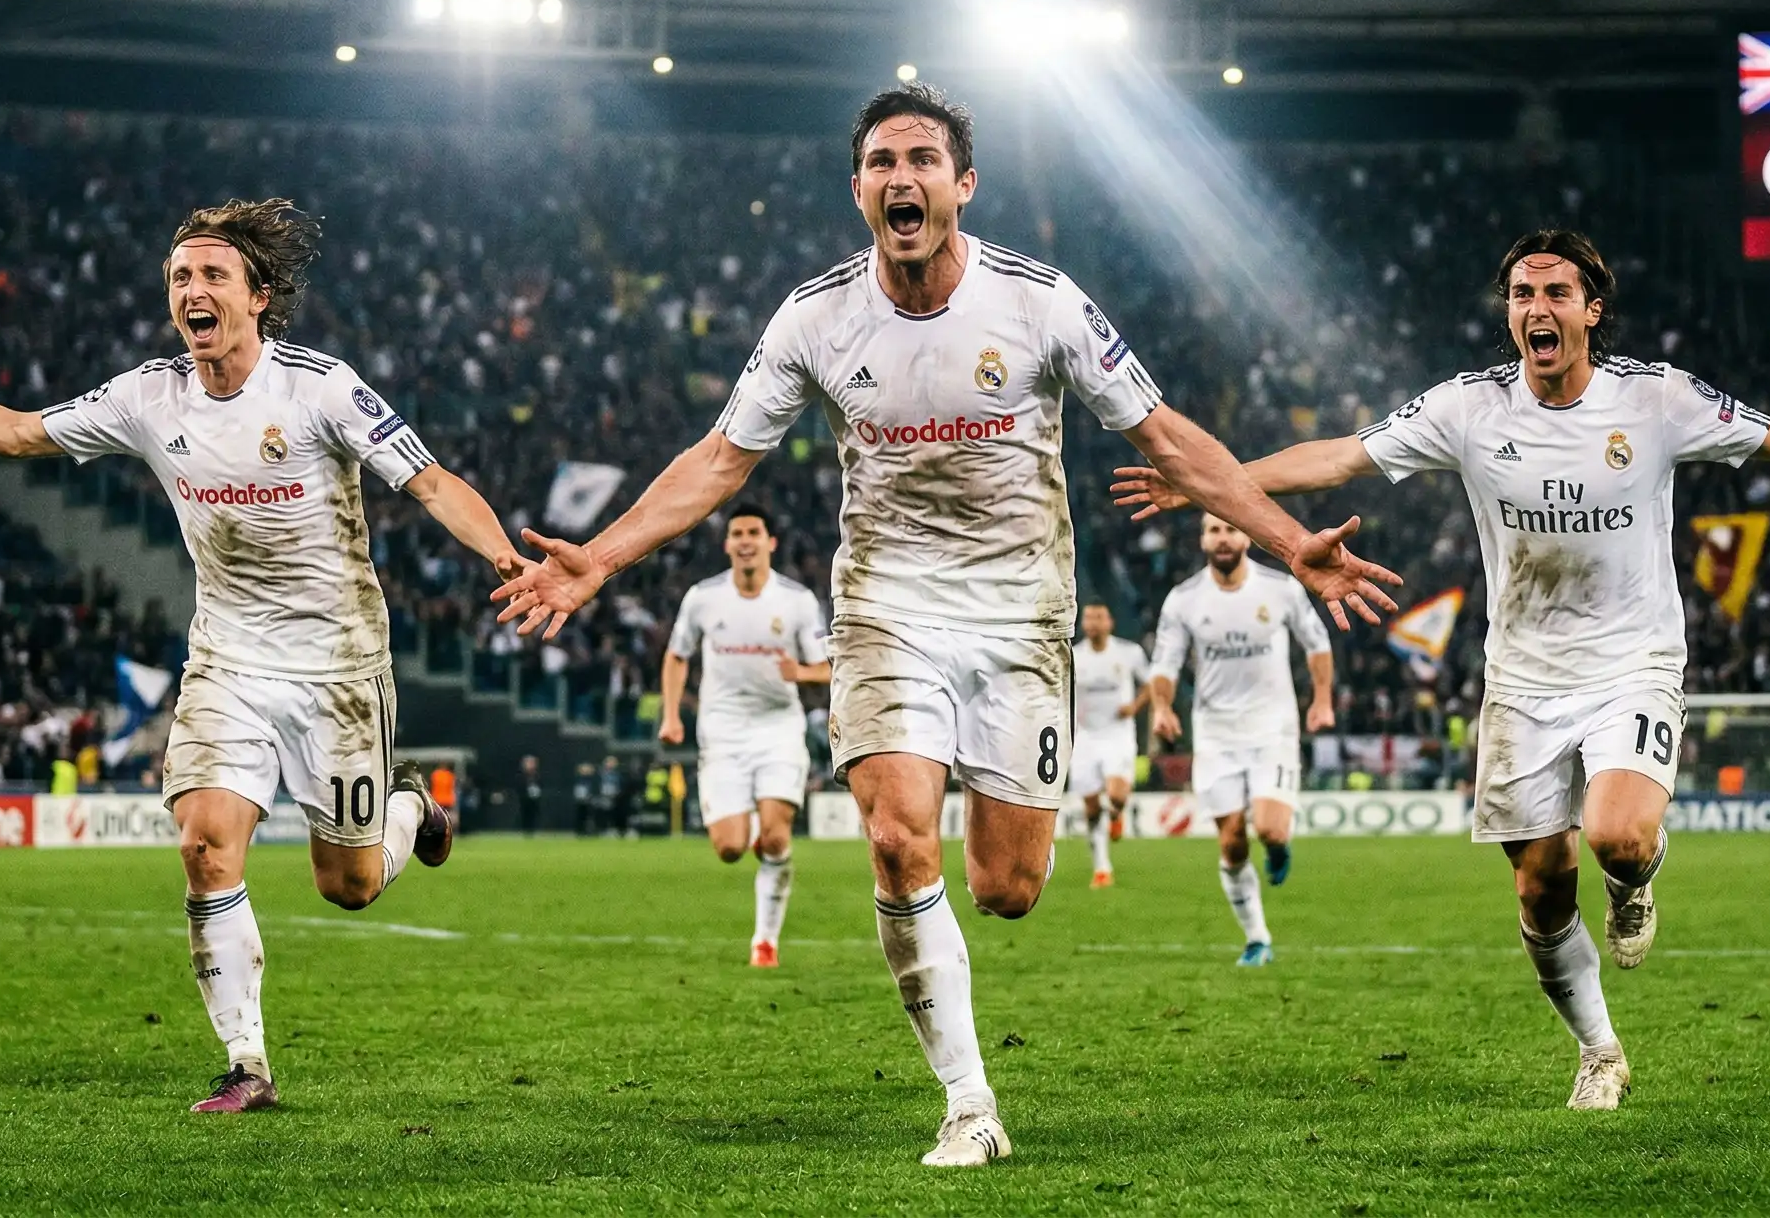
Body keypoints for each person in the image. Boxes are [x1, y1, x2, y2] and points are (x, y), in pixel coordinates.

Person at [494, 83, 1397, 1167]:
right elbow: (720, 461)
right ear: (859, 190)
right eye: (881, 162)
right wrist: (600, 556)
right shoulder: (813, 318)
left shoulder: (1042, 302)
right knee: (892, 836)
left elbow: (1166, 439)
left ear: (962, 185)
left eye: (922, 159)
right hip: (885, 606)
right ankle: (968, 1102)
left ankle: (984, 957)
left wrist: (1284, 537)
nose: (901, 177)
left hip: (1021, 614)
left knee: (1005, 889)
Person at [1114, 228, 1770, 1110]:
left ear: (1593, 310)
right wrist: (1211, 482)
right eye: (1521, 295)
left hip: (1635, 660)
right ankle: (1600, 1049)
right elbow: (1341, 457)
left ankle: (1637, 879)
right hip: (1521, 678)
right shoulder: (1468, 407)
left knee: (1616, 835)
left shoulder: (1658, 399)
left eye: (1554, 293)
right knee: (1541, 888)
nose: (1535, 308)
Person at [0, 197, 523, 1115]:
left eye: (213, 275)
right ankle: (247, 1065)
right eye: (181, 277)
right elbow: (21, 432)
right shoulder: (149, 396)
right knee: (204, 845)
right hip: (227, 661)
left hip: (340, 665)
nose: (193, 289)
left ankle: (410, 808)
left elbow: (430, 479)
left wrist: (499, 551)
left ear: (258, 297)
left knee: (346, 885)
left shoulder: (320, 388)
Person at [1145, 515, 1333, 964]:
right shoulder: (1184, 600)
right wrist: (1162, 707)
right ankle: (1257, 939)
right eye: (1213, 530)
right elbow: (1165, 664)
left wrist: (1322, 699)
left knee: (1268, 827)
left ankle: (1278, 845)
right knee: (1231, 842)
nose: (1223, 538)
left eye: (1230, 529)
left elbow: (1317, 642)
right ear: (1202, 539)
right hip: (1216, 733)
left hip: (1273, 727)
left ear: (1246, 536)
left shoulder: (1281, 589)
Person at [660, 504, 831, 967]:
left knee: (777, 840)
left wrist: (802, 671)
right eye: (737, 533)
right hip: (723, 732)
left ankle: (765, 941)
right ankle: (750, 830)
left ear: (771, 542)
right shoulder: (703, 597)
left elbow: (828, 666)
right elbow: (677, 656)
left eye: (755, 531)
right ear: (727, 544)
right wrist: (671, 715)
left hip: (779, 727)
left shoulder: (796, 601)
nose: (745, 540)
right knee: (730, 848)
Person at [1068, 602, 1150, 888]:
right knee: (1091, 807)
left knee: (1116, 796)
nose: (1092, 622)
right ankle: (1102, 868)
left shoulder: (1129, 653)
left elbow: (1150, 684)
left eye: (1098, 617)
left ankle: (1117, 813)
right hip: (1085, 738)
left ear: (1109, 622)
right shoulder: (1074, 656)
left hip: (1117, 735)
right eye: (1088, 617)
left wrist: (1135, 706)